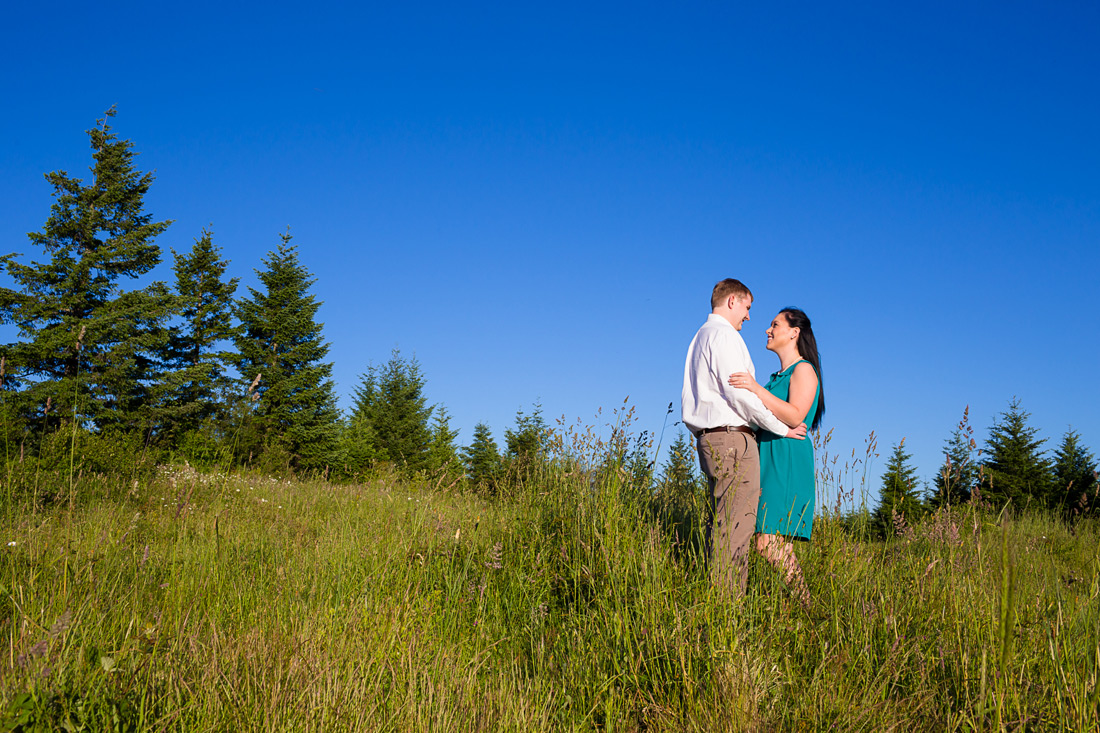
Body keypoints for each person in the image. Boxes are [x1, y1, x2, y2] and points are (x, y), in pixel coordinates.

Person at [682, 279, 806, 596]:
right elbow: (742, 397)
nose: (749, 317)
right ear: (733, 300)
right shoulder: (723, 335)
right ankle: (727, 616)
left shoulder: (700, 337)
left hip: (711, 439)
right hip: (732, 439)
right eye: (748, 308)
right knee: (736, 530)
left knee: (724, 526)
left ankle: (719, 608)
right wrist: (783, 428)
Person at [728, 307, 824, 607]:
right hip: (767, 456)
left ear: (794, 332)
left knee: (768, 541)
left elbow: (796, 416)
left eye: (775, 325)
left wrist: (755, 388)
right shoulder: (775, 377)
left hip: (787, 459)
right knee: (767, 540)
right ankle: (804, 605)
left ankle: (807, 605)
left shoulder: (804, 370)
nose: (768, 330)